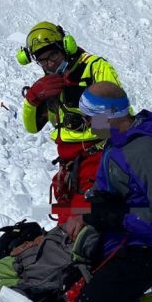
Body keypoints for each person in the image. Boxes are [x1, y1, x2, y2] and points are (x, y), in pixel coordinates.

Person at [63, 82, 152, 302]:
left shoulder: (144, 151)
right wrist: (85, 215)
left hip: (139, 254)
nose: (86, 125)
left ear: (108, 115)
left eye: (88, 118)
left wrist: (120, 218)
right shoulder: (114, 144)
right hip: (110, 243)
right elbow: (103, 194)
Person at [17, 21, 121, 224]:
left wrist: (82, 104)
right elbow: (31, 127)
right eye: (42, 60)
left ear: (66, 46)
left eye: (53, 55)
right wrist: (32, 99)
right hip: (68, 163)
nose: (49, 64)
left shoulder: (95, 68)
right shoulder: (47, 85)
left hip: (98, 157)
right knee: (68, 218)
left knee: (83, 221)